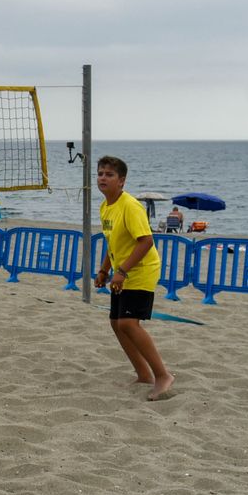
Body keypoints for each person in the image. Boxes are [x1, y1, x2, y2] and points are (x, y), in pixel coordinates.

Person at [94, 157, 174, 401]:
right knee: (116, 323)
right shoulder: (105, 206)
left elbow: (146, 241)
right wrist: (104, 270)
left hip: (141, 270)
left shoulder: (130, 206)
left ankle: (162, 375)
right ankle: (143, 374)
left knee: (128, 323)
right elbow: (113, 243)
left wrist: (122, 271)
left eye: (109, 174)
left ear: (122, 181)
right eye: (100, 173)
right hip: (122, 272)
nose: (103, 178)